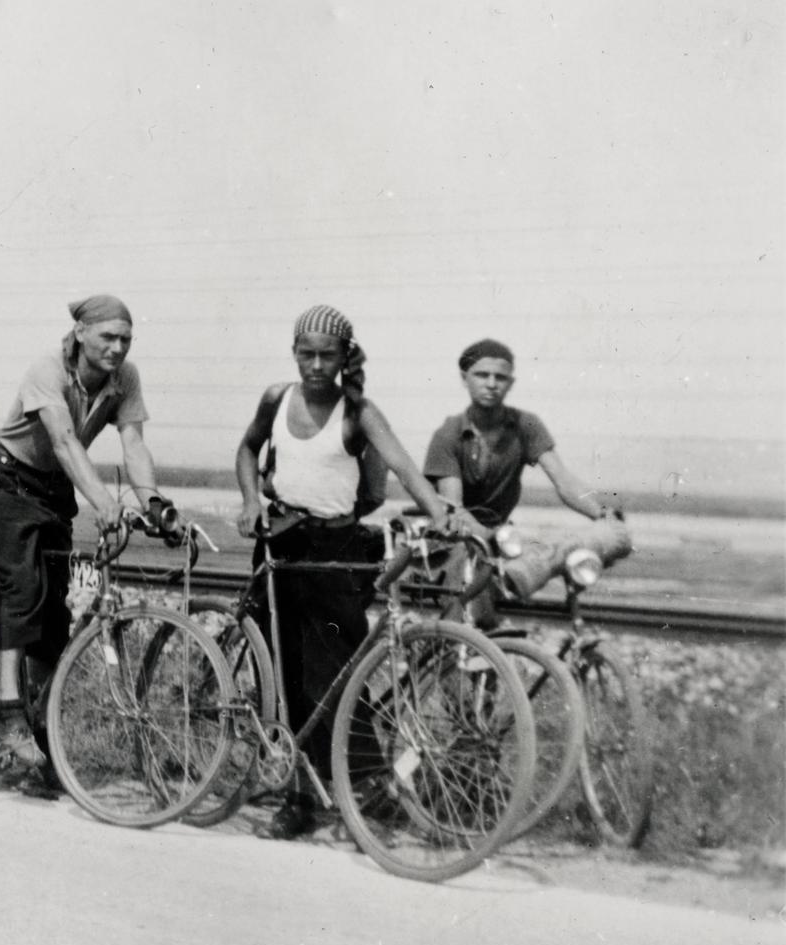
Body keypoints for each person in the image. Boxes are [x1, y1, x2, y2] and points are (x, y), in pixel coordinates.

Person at [234, 304, 466, 839]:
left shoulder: (359, 412)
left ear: (344, 357)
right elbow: (247, 450)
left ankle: (360, 788)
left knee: (334, 676)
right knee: (285, 677)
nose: (316, 365)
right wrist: (250, 502)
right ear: (294, 353)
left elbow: (405, 470)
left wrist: (441, 516)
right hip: (280, 544)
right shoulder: (276, 399)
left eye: (327, 355)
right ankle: (298, 799)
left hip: (335, 553)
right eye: (306, 354)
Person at [0, 294, 174, 790]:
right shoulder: (47, 369)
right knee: (21, 591)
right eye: (108, 337)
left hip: (53, 490)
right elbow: (65, 441)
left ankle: (42, 749)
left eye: (126, 339)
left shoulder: (124, 378)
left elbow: (133, 442)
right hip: (11, 481)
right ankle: (7, 714)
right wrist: (103, 503)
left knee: (54, 623)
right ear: (81, 332)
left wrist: (151, 502)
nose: (117, 348)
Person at [422, 338, 613, 628]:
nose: (491, 384)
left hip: (498, 539)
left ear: (511, 383)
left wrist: (601, 514)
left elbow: (562, 479)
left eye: (500, 377)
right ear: (465, 379)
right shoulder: (448, 435)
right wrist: (492, 538)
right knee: (469, 620)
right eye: (482, 375)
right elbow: (454, 509)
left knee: (560, 561)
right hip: (455, 540)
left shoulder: (526, 426)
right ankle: (452, 660)